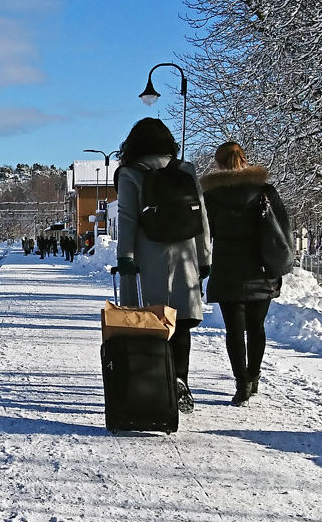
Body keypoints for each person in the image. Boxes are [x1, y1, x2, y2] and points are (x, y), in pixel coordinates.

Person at [114, 117, 211, 414]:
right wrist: (204, 258)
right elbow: (201, 218)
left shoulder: (130, 173)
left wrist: (125, 258)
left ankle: (155, 385)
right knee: (181, 324)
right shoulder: (185, 170)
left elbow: (128, 218)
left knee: (150, 324)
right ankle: (180, 378)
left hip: (147, 259)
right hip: (184, 256)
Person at [201, 140, 291, 404]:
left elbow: (208, 232)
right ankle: (254, 376)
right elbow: (282, 227)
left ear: (218, 163)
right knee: (256, 326)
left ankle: (241, 382)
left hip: (228, 267)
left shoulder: (212, 196)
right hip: (261, 267)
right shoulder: (265, 191)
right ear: (244, 160)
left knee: (234, 329)